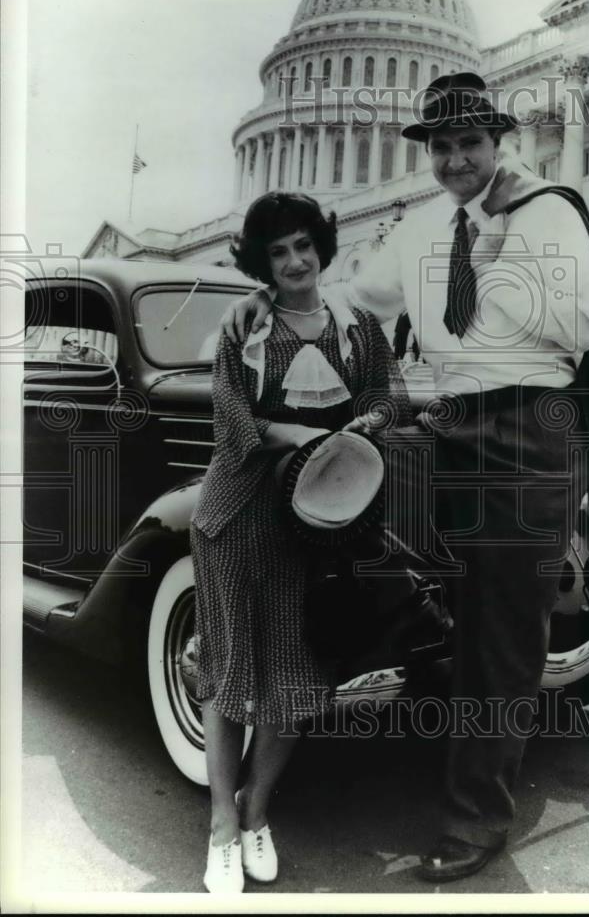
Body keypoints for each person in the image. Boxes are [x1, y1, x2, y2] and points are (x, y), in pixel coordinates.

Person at [219, 74, 589, 882]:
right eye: (441, 147)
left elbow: (580, 326)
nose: (453, 160)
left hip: (527, 426)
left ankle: (477, 820)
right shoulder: (419, 230)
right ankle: (354, 675)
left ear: (496, 143)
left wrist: (492, 248)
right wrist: (267, 300)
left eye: (468, 144)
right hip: (452, 425)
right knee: (384, 538)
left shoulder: (547, 211)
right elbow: (355, 295)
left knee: (503, 637)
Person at [191, 191, 410, 893]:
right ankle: (221, 825)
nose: (294, 261)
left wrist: (362, 428)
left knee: (295, 673)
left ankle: (257, 811)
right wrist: (298, 435)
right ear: (262, 261)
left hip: (320, 517)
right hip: (240, 511)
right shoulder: (242, 327)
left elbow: (384, 396)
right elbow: (230, 419)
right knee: (231, 673)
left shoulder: (356, 323)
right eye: (277, 251)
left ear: (321, 245)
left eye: (302, 245)